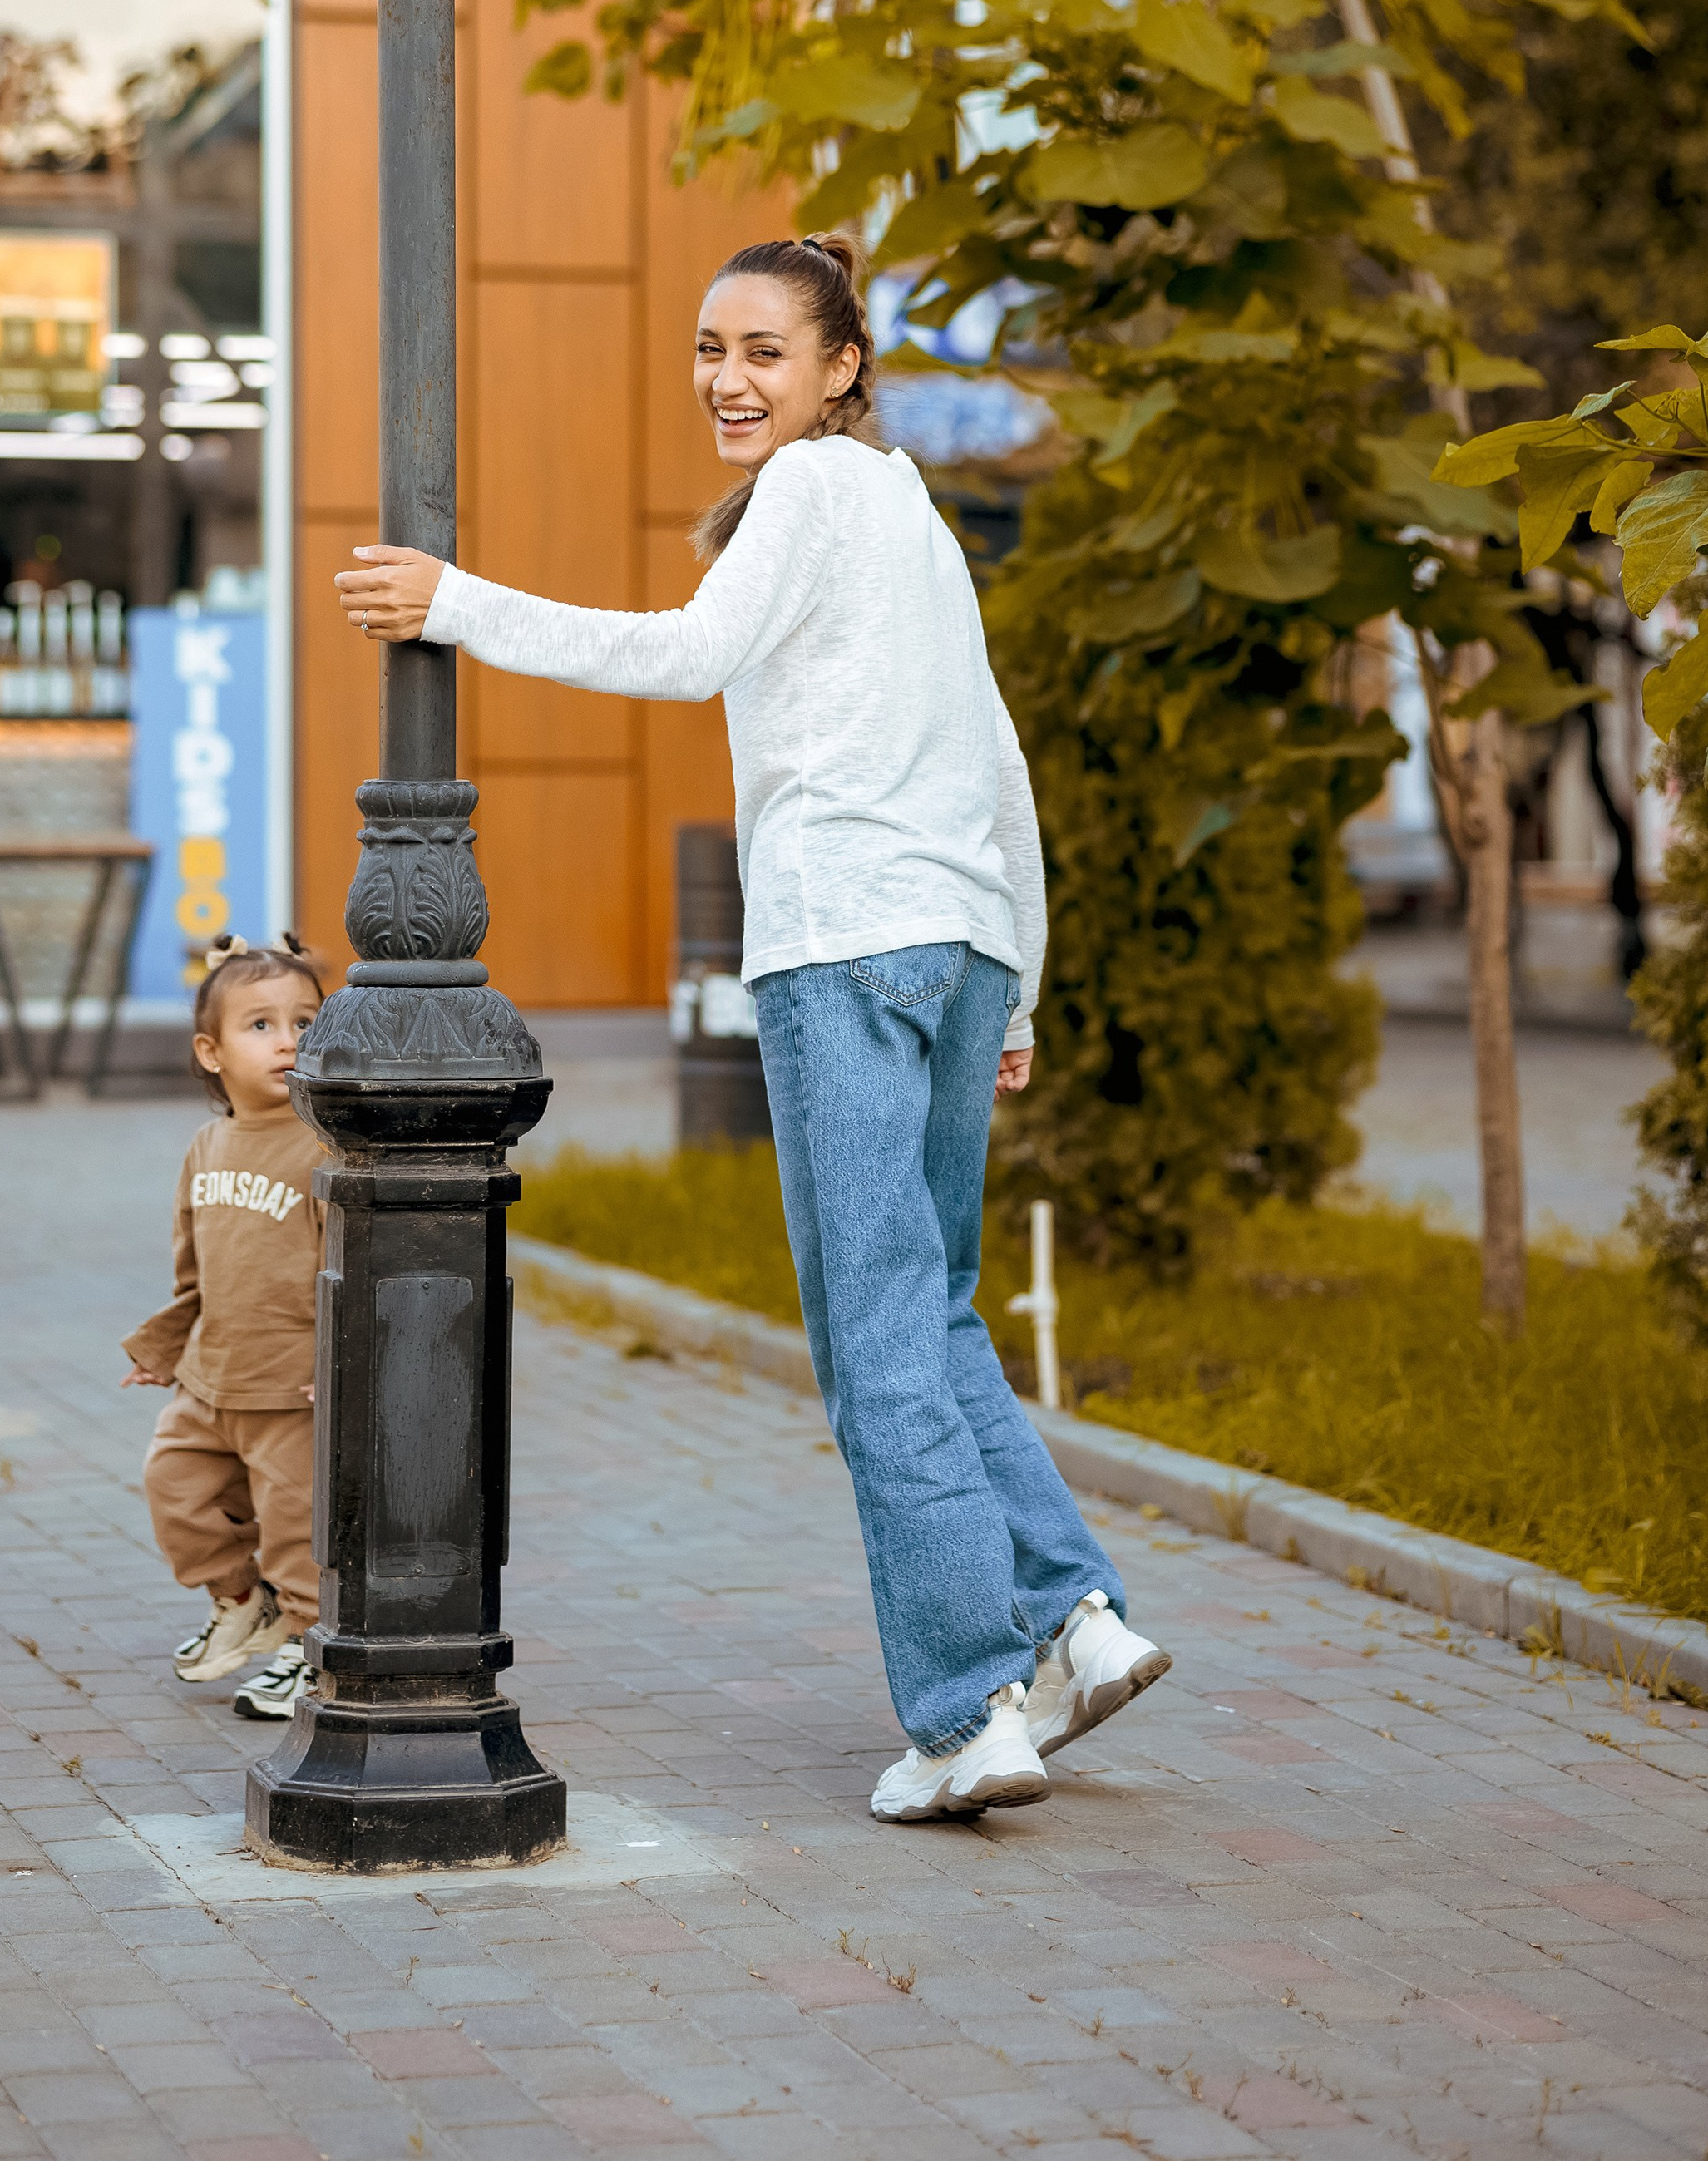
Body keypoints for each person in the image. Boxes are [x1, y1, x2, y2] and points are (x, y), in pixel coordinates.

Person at [336, 233, 1169, 1822]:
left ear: (842, 366)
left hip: (847, 943)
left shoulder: (811, 490)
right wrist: (1025, 981)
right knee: (931, 1310)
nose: (729, 378)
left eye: (765, 351)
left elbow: (687, 652)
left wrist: (455, 603)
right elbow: (1000, 770)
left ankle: (962, 1708)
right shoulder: (918, 517)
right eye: (710, 349)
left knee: (874, 1342)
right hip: (960, 943)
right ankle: (1077, 1614)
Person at [121, 933, 325, 1724]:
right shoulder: (206, 1147)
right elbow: (194, 1267)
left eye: (306, 1023)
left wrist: (338, 1361)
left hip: (289, 1387)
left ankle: (309, 1646)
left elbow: (354, 1267)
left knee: (294, 1531)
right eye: (263, 1026)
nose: (288, 1042)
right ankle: (243, 1601)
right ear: (211, 1052)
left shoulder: (325, 1145)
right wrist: (166, 1347)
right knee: (174, 1487)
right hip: (212, 1377)